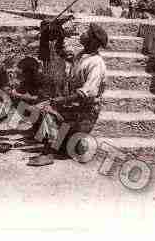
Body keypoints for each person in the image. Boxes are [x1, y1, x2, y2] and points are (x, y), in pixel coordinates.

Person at [29, 23, 108, 166]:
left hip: (86, 111)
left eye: (86, 33)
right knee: (37, 107)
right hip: (75, 105)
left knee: (46, 110)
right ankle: (66, 143)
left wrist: (61, 100)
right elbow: (63, 53)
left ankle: (48, 153)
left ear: (93, 41)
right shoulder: (82, 54)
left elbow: (87, 93)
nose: (82, 34)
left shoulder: (96, 63)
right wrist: (56, 34)